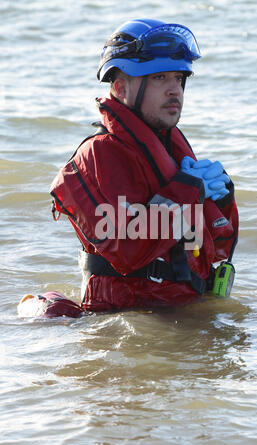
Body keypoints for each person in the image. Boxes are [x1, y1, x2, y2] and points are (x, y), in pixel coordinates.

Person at [50, 18, 239, 312]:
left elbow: (217, 249)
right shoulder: (98, 155)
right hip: (131, 320)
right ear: (121, 87)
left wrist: (222, 202)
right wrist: (186, 193)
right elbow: (127, 249)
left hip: (185, 309)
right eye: (159, 78)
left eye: (178, 78)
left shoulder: (171, 150)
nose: (174, 89)